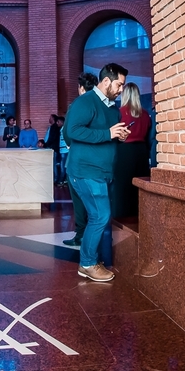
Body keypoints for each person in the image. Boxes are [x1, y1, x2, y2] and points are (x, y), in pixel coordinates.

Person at [63, 64, 129, 282]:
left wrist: (119, 135)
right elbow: (72, 131)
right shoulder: (85, 101)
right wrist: (107, 133)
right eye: (119, 84)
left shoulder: (112, 108)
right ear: (107, 81)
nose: (121, 89)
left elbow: (106, 135)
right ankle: (88, 263)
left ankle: (91, 259)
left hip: (103, 171)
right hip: (85, 170)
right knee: (100, 215)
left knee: (98, 216)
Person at [62, 73, 97, 247]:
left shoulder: (76, 105)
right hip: (98, 159)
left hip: (78, 159)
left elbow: (67, 132)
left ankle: (81, 235)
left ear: (82, 88)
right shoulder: (102, 105)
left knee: (78, 198)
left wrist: (71, 146)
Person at [112, 82, 151, 218]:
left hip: (124, 151)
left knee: (122, 186)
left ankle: (121, 214)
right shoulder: (145, 115)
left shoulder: (119, 113)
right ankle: (139, 213)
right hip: (141, 151)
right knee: (139, 185)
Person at [45, 114, 64, 184]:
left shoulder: (54, 127)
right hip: (55, 148)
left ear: (53, 119)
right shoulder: (55, 127)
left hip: (53, 148)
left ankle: (56, 179)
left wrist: (46, 144)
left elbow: (52, 138)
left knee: (54, 164)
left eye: (50, 118)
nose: (49, 119)